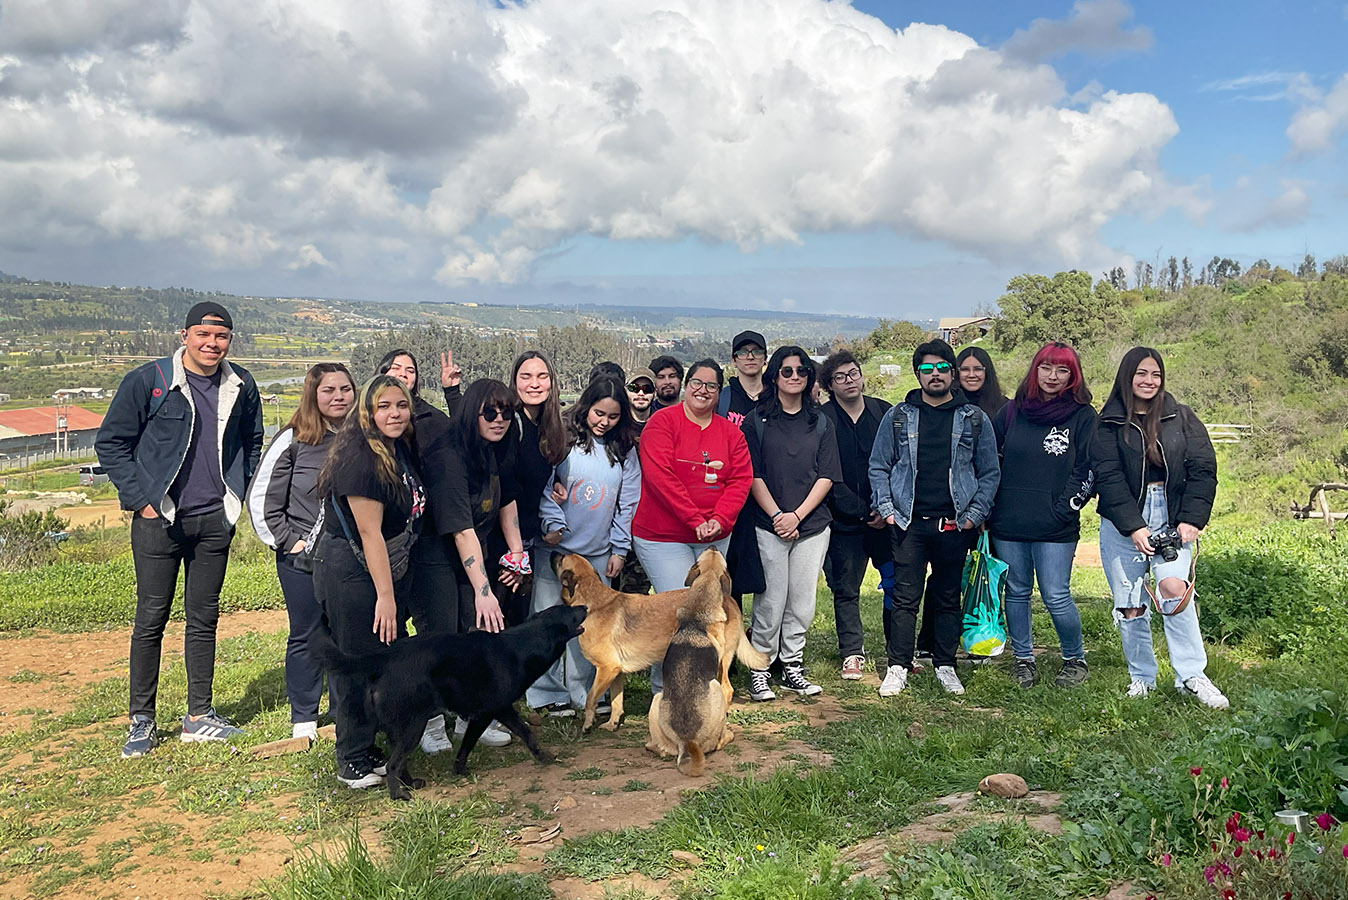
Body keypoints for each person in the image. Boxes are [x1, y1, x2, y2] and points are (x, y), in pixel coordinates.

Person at [96, 301, 264, 758]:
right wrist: (143, 501)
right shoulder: (150, 381)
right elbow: (112, 443)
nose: (212, 344)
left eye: (222, 337)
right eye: (204, 336)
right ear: (185, 335)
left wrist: (237, 499)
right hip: (161, 519)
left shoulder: (241, 384)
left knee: (203, 619)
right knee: (151, 619)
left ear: (230, 340)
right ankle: (142, 721)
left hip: (214, 519)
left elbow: (252, 442)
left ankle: (199, 716)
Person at [1091, 347, 1227, 708]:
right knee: (1131, 604)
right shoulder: (1107, 422)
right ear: (1127, 377)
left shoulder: (1181, 417)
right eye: (1141, 374)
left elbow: (1203, 467)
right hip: (1124, 522)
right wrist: (1133, 526)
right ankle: (1142, 678)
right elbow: (1108, 477)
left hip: (1171, 514)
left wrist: (1192, 519)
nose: (1149, 381)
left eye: (1155, 375)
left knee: (1173, 590)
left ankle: (1192, 675)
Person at [868, 339, 1000, 698]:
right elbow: (879, 465)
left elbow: (989, 472)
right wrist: (889, 511)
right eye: (927, 369)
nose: (935, 374)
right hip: (909, 524)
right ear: (917, 375)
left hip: (953, 525)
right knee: (904, 597)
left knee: (946, 598)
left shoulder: (974, 419)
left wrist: (974, 515)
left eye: (942, 368)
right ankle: (898, 665)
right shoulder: (898, 417)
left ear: (953, 374)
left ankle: (945, 664)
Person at [312, 375, 425, 788]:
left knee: (379, 662)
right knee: (356, 666)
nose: (394, 414)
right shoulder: (361, 458)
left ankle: (368, 746)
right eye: (384, 407)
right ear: (368, 412)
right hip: (353, 573)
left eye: (400, 405)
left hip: (373, 569)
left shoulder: (393, 448)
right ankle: (352, 758)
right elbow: (369, 533)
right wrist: (386, 596)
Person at [247, 363, 355, 741]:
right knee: (308, 634)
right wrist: (289, 541)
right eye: (329, 390)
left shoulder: (362, 436)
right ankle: (304, 716)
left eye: (345, 389)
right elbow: (262, 500)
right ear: (313, 394)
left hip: (348, 559)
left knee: (346, 636)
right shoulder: (293, 439)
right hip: (301, 560)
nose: (338, 396)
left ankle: (345, 710)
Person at [633, 360, 753, 691]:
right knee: (681, 608)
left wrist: (719, 520)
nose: (703, 390)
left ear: (719, 392)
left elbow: (740, 480)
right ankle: (667, 689)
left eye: (711, 386)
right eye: (697, 383)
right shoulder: (662, 423)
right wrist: (695, 519)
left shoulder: (731, 433)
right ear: (686, 385)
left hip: (714, 536)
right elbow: (660, 477)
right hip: (662, 536)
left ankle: (702, 684)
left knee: (708, 611)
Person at [529, 378, 641, 715]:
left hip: (598, 554)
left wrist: (619, 549)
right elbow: (545, 488)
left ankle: (588, 692)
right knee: (547, 622)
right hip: (557, 555)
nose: (604, 421)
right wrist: (552, 525)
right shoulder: (563, 442)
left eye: (612, 416)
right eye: (598, 413)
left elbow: (628, 502)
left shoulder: (623, 451)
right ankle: (546, 693)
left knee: (591, 628)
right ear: (585, 408)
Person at [989, 343, 1097, 689]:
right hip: (1008, 522)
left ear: (1073, 376)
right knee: (1017, 591)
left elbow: (1088, 468)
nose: (1053, 376)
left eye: (1062, 370)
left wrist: (1065, 507)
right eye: (1046, 368)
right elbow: (987, 458)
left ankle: (1074, 658)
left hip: (1056, 525)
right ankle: (1023, 660)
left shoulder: (1083, 416)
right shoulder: (1010, 412)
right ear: (1034, 370)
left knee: (1055, 594)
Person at [376, 347, 464, 753]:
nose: (404, 375)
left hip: (430, 545)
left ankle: (437, 717)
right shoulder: (365, 427)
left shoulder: (432, 422)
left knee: (436, 634)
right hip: (379, 552)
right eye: (396, 368)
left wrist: (454, 394)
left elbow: (464, 441)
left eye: (410, 370)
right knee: (386, 637)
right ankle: (388, 717)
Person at [743, 346, 842, 701]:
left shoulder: (821, 422)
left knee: (802, 602)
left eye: (802, 371)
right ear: (774, 377)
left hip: (811, 525)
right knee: (770, 600)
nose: (795, 377)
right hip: (768, 523)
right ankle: (759, 667)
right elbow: (752, 474)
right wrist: (777, 516)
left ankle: (792, 665)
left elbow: (827, 474)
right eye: (787, 371)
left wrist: (797, 516)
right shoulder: (758, 420)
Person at [818, 350, 894, 681]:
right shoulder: (822, 420)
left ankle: (898, 652)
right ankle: (852, 653)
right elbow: (825, 474)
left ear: (862, 376)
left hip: (887, 518)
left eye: (853, 373)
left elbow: (899, 465)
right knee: (845, 589)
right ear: (829, 385)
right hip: (842, 521)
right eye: (840, 377)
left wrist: (883, 507)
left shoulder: (884, 413)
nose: (849, 381)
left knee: (896, 585)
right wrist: (862, 511)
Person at [502, 351, 569, 624]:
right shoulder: (510, 424)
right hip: (505, 547)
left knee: (517, 623)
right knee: (499, 627)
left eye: (542, 376)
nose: (534, 383)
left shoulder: (546, 427)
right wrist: (514, 552)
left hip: (527, 542)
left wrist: (553, 482)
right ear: (514, 382)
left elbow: (532, 480)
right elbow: (506, 489)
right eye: (526, 376)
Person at [719, 330, 769, 604]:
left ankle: (763, 636)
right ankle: (732, 635)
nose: (750, 357)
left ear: (765, 357)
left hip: (770, 491)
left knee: (768, 572)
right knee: (731, 570)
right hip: (731, 495)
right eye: (743, 352)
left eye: (756, 352)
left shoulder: (776, 396)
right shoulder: (723, 398)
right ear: (733, 360)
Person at [956, 347, 1009, 419]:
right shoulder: (949, 406)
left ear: (987, 372)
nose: (971, 375)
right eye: (965, 369)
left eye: (978, 369)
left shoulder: (1005, 407)